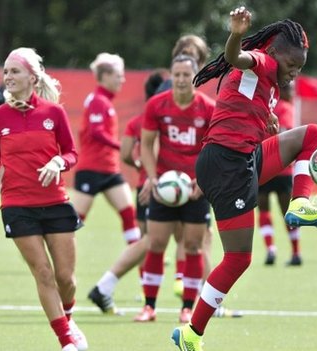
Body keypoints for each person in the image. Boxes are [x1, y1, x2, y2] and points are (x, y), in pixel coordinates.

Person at [170, 6, 317, 349]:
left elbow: (241, 106)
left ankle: (299, 204)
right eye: (291, 66)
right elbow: (235, 57)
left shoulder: (273, 80)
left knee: (313, 136)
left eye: (300, 68)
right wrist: (235, 32)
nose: (294, 73)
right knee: (238, 258)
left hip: (241, 157)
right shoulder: (263, 61)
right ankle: (191, 333)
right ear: (275, 53)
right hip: (226, 164)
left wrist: (267, 122)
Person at [0, 47, 87, 351]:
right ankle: (66, 342)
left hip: (56, 202)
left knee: (67, 279)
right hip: (16, 205)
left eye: (15, 71)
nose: (8, 77)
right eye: (6, 72)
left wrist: (57, 163)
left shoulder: (54, 113)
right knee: (44, 272)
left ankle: (69, 317)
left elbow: (72, 153)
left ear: (32, 77)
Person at [133, 55, 214, 324]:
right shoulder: (157, 105)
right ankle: (149, 307)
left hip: (195, 189)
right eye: (176, 75)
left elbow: (214, 149)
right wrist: (153, 179)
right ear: (171, 76)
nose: (180, 80)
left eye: (185, 75)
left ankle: (187, 308)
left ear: (195, 77)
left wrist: (203, 181)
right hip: (164, 188)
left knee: (193, 246)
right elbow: (146, 145)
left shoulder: (208, 108)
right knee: (155, 244)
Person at [87, 69, 168, 314]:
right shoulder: (163, 119)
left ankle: (117, 290)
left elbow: (127, 155)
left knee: (150, 241)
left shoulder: (139, 120)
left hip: (146, 185)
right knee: (175, 241)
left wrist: (141, 167)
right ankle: (204, 300)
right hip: (159, 188)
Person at [73, 53, 141, 251]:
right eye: (119, 75)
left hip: (110, 170)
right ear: (105, 76)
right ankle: (58, 251)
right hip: (91, 169)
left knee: (128, 213)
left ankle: (136, 257)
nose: (123, 79)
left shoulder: (104, 101)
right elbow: (96, 132)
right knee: (74, 222)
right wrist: (122, 146)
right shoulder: (98, 100)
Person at [257, 81, 302, 266]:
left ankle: (270, 249)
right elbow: (286, 132)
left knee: (264, 209)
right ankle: (296, 252)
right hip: (283, 168)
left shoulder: (263, 106)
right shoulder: (285, 108)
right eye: (289, 88)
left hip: (263, 166)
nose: (292, 92)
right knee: (288, 213)